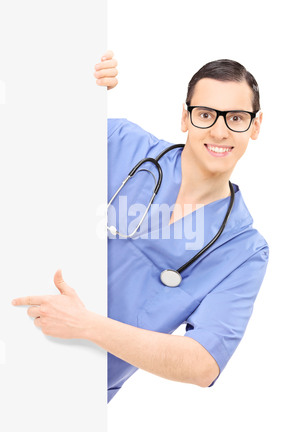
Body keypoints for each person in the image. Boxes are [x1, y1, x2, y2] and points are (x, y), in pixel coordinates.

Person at [12, 51, 269, 403]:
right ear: (185, 117)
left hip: (77, 398)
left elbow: (203, 363)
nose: (220, 131)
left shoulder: (244, 250)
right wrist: (76, 88)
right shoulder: (122, 144)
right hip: (13, 339)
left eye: (236, 118)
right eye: (206, 114)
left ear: (255, 126)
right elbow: (26, 136)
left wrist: (86, 324)